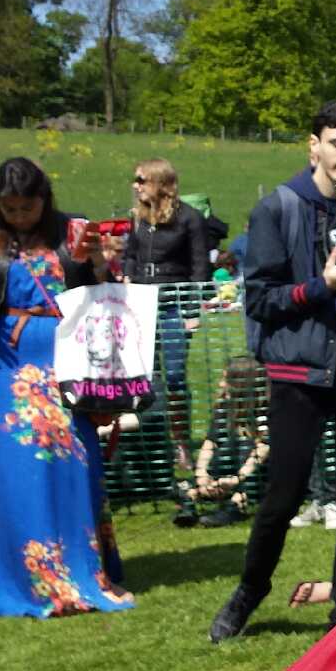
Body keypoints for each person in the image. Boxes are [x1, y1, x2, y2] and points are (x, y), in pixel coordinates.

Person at [208, 101, 336, 642]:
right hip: (299, 374)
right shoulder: (279, 209)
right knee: (283, 496)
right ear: (314, 145)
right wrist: (321, 288)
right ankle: (249, 591)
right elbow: (261, 301)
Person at [0, 157, 134, 618]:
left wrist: (96, 261)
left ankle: (83, 572)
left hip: (66, 367)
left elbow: (101, 292)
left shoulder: (73, 231)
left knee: (73, 469)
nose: (18, 217)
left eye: (27, 208)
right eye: (9, 209)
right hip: (5, 374)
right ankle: (24, 579)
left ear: (44, 200)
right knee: (15, 477)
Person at [124, 157, 212, 462]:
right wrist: (127, 276)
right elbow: (130, 255)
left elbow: (200, 266)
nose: (135, 186)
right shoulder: (138, 218)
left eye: (141, 180)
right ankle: (153, 439)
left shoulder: (189, 218)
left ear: (159, 183)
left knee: (174, 377)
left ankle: (180, 440)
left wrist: (192, 310)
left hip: (174, 304)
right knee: (148, 374)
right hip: (141, 304)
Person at [173, 356, 270, 529]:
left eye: (226, 380)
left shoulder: (265, 410)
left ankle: (237, 505)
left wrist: (236, 480)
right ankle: (193, 498)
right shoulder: (226, 406)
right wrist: (201, 474)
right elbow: (210, 442)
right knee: (226, 448)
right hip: (231, 467)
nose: (221, 384)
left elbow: (263, 450)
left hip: (257, 471)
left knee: (245, 445)